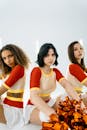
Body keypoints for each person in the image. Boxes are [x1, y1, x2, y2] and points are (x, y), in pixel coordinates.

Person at [25, 43, 86, 125]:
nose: (51, 58)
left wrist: (80, 104)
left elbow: (67, 85)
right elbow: (34, 97)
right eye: (47, 55)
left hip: (50, 103)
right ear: (41, 56)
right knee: (51, 120)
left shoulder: (55, 72)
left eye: (53, 55)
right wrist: (51, 112)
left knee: (71, 113)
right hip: (34, 106)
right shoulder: (36, 71)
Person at [0, 44, 30, 128]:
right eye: (4, 58)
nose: (8, 60)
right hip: (6, 105)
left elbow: (2, 90)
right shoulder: (9, 71)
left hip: (14, 110)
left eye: (10, 56)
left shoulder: (19, 68)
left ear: (16, 55)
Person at [67, 41, 87, 106]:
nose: (79, 51)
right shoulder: (73, 67)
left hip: (78, 96)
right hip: (72, 98)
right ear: (71, 53)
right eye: (75, 49)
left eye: (81, 48)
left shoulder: (82, 68)